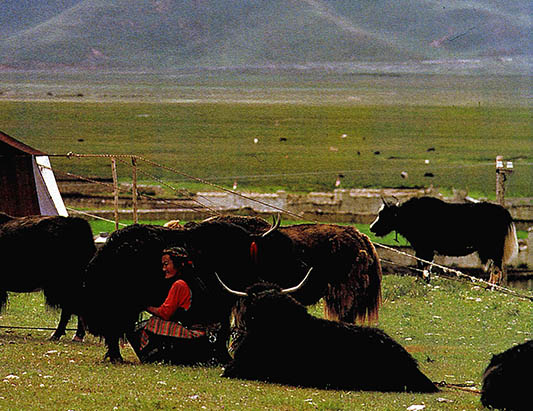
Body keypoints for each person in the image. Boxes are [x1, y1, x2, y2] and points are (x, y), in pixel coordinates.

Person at [127, 247, 220, 365]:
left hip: (194, 335)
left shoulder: (179, 285)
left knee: (153, 323)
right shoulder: (197, 281)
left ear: (178, 265)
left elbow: (165, 313)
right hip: (205, 334)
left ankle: (152, 357)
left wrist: (145, 306)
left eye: (166, 264)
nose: (163, 268)